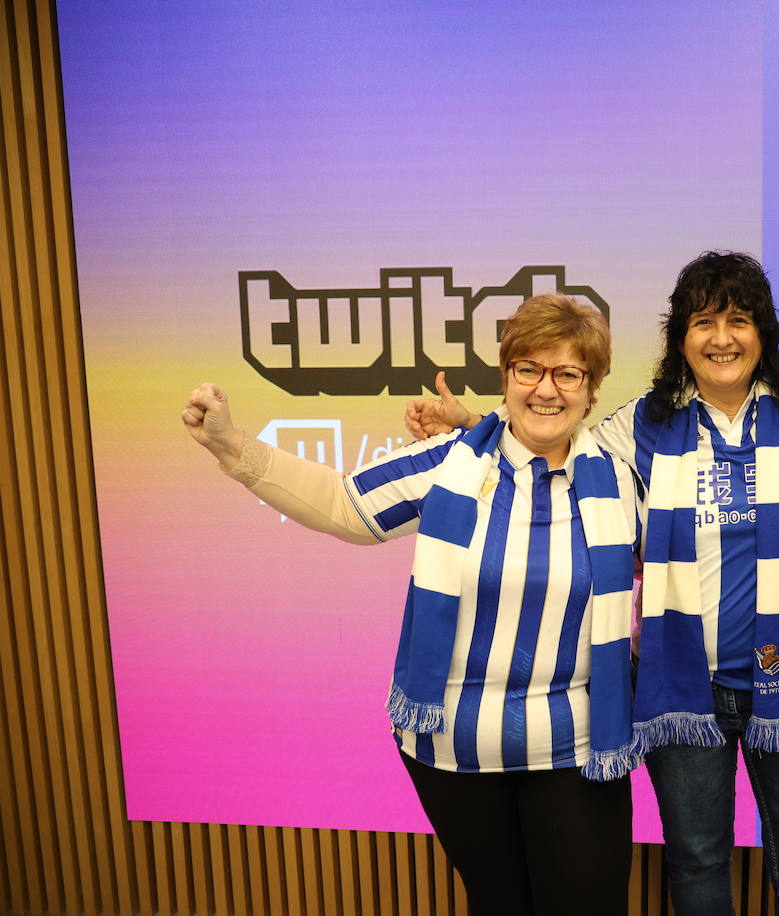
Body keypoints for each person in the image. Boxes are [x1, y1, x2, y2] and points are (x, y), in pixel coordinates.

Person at [181, 294, 642, 916]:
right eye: (528, 369)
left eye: (568, 373)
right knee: (500, 904)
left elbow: (680, 564)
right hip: (454, 749)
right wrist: (233, 447)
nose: (546, 389)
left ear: (591, 389)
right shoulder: (451, 463)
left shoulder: (624, 481)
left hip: (577, 748)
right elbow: (344, 504)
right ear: (506, 376)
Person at [411, 252, 779, 916]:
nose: (721, 338)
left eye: (738, 320)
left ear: (764, 332)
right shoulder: (639, 425)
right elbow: (551, 441)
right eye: (703, 321)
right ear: (680, 337)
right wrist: (478, 428)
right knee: (696, 863)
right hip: (678, 686)